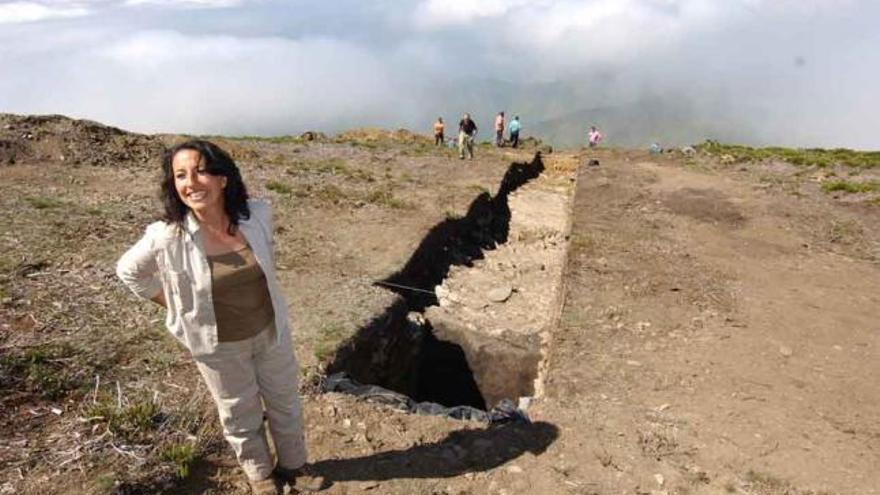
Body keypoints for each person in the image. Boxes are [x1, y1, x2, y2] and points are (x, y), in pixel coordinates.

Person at [116, 140, 323, 495]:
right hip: (217, 345)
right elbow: (129, 272)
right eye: (180, 175)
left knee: (285, 402)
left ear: (223, 178)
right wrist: (176, 306)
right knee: (239, 413)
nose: (191, 182)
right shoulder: (167, 236)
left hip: (270, 331)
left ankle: (294, 464)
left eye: (200, 171)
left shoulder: (256, 215)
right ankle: (259, 474)